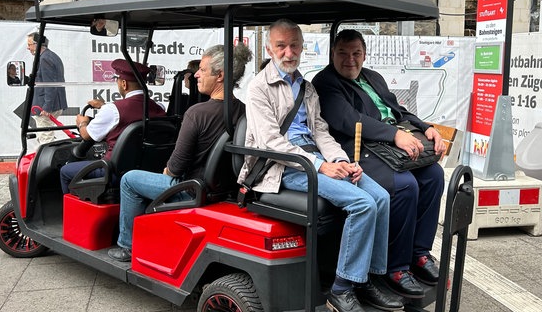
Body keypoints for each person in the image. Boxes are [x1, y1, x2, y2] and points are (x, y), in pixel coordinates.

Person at [237, 19, 402, 312]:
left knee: (380, 197)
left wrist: (340, 160)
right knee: (363, 204)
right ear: (269, 48)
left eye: (294, 46)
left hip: (316, 159)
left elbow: (321, 132)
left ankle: (370, 279)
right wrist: (320, 166)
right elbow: (270, 143)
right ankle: (342, 288)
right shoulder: (258, 88)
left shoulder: (307, 88)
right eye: (281, 46)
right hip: (281, 167)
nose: (289, 52)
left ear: (301, 47)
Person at [311, 29, 446, 298]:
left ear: (364, 54)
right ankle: (395, 267)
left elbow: (398, 110)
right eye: (343, 53)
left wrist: (425, 127)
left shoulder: (372, 77)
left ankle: (418, 252)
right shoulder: (325, 82)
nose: (350, 60)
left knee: (433, 175)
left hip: (387, 146)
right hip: (358, 148)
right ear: (332, 54)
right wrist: (395, 135)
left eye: (356, 53)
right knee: (405, 186)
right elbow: (348, 120)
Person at [107, 44, 252, 262]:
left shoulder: (196, 113)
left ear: (220, 75)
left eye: (202, 70)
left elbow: (175, 168)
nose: (196, 75)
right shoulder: (243, 110)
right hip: (223, 188)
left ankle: (127, 245)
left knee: (129, 179)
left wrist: (167, 169)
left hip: (191, 188)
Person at [59, 59, 167, 194]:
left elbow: (86, 135)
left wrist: (83, 122)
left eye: (117, 80)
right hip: (149, 170)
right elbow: (131, 114)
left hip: (114, 171)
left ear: (123, 83)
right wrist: (104, 106)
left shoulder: (113, 110)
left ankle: (68, 214)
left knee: (65, 171)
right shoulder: (159, 108)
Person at [27, 33, 68, 144]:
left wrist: (47, 107)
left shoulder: (44, 59)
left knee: (45, 137)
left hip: (46, 105)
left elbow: (50, 83)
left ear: (37, 44)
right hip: (52, 103)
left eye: (29, 44)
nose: (28, 47)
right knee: (46, 134)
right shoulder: (51, 56)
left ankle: (45, 160)